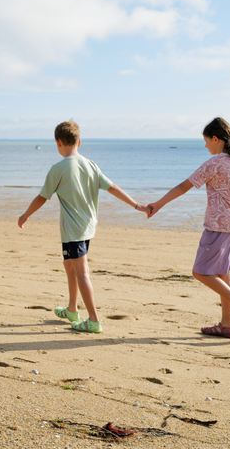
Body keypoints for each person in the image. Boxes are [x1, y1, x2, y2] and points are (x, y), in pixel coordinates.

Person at [18, 120, 149, 333]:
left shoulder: (57, 169)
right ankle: (71, 309)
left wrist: (25, 215)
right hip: (87, 227)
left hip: (73, 231)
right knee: (68, 265)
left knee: (82, 273)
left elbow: (42, 197)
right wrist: (137, 205)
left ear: (58, 142)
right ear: (79, 141)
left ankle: (94, 320)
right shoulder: (90, 164)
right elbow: (112, 187)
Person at [147, 117, 230, 338]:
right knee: (222, 274)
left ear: (215, 139)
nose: (205, 145)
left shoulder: (214, 163)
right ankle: (226, 326)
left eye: (206, 140)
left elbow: (184, 186)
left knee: (200, 272)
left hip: (218, 227)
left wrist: (158, 204)